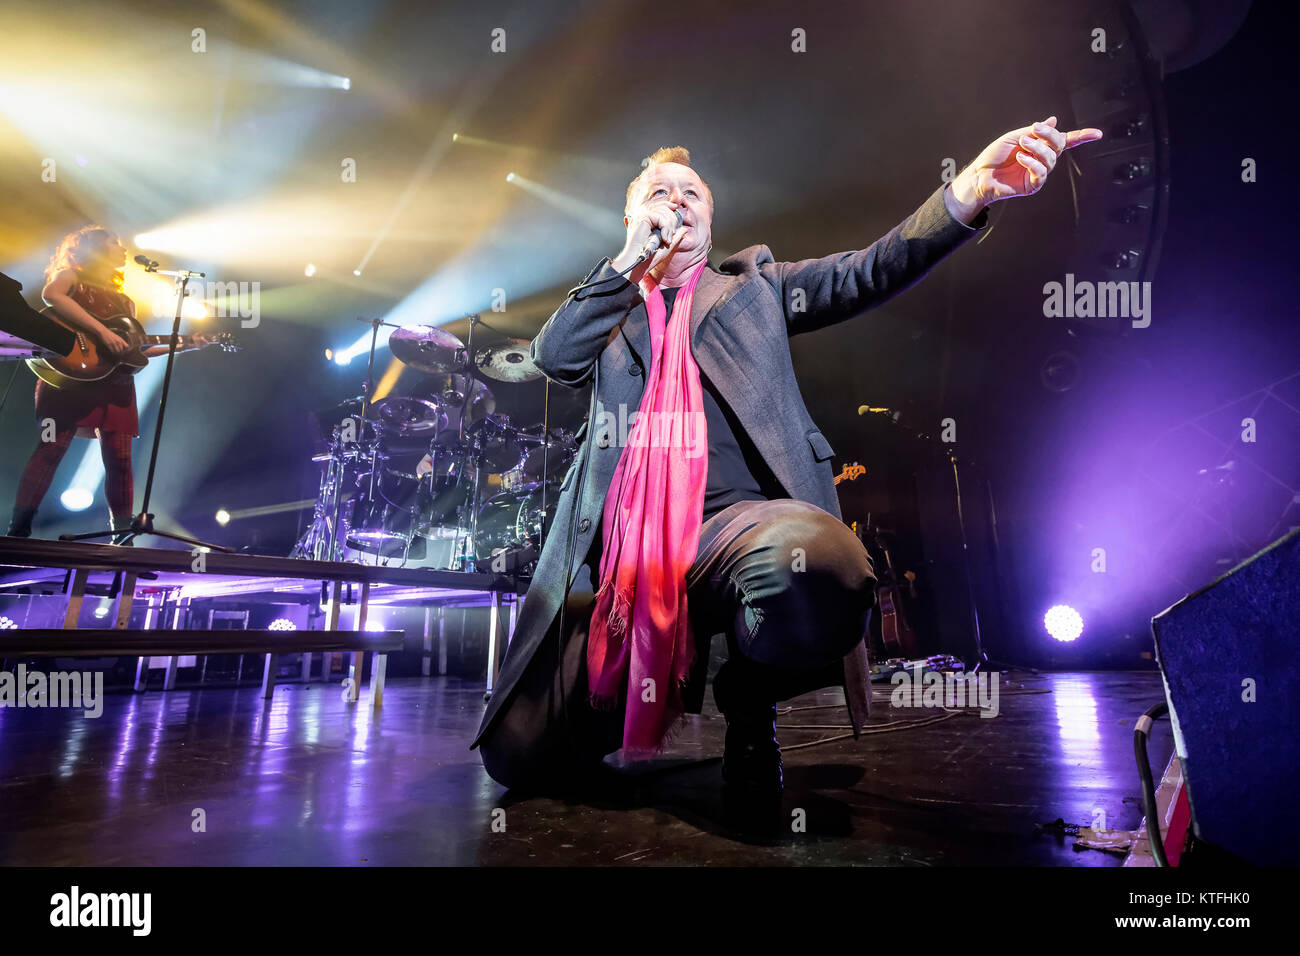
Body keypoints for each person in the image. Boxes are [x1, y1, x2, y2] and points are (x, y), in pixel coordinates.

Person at [471, 118, 1103, 807]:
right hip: (625, 551)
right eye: (660, 191)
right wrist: (627, 262)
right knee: (516, 757)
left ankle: (748, 700)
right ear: (633, 216)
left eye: (692, 192)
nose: (677, 199)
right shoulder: (608, 307)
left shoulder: (756, 288)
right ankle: (614, 702)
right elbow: (554, 357)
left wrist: (965, 195)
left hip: (735, 527)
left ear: (711, 218)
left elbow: (869, 269)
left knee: (822, 566)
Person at [6, 226, 203, 540]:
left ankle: (121, 535)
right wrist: (102, 332)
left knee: (120, 460)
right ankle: (19, 529)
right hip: (69, 378)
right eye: (115, 243)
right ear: (95, 248)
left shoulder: (126, 303)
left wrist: (185, 343)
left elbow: (136, 350)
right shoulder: (69, 275)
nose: (123, 249)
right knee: (51, 448)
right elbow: (51, 296)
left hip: (114, 383)